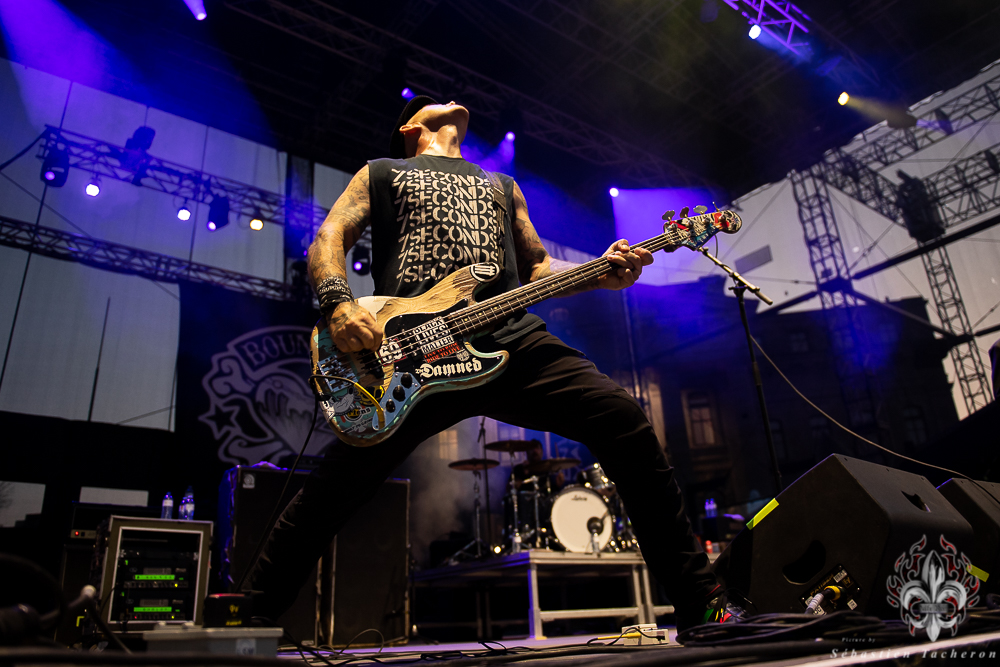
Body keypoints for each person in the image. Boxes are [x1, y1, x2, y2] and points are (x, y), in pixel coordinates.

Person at [245, 96, 726, 630]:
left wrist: (599, 271)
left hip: (511, 340)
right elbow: (329, 236)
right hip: (410, 356)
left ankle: (701, 603)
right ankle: (247, 615)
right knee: (335, 488)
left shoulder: (503, 185)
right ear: (410, 128)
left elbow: (538, 267)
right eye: (433, 101)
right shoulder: (381, 173)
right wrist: (339, 304)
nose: (451, 99)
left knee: (623, 418)